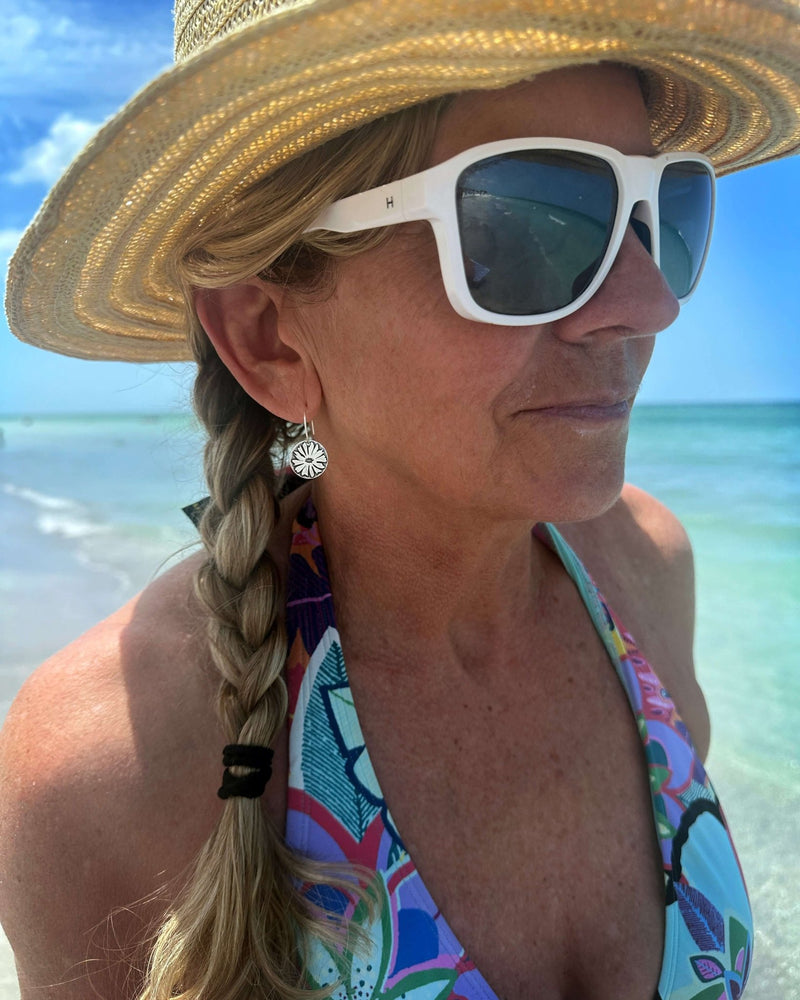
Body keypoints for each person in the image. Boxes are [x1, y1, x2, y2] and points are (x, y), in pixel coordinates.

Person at [1, 1, 798, 998]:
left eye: (659, 213)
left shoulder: (646, 572)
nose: (649, 301)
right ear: (267, 337)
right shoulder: (113, 767)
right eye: (527, 228)